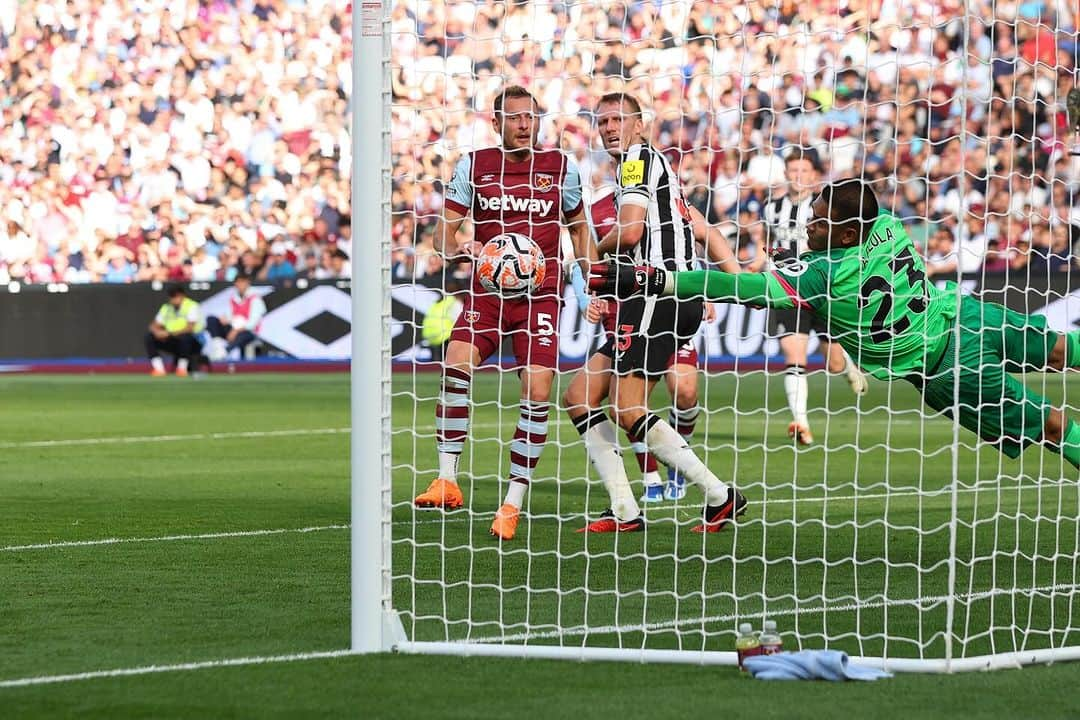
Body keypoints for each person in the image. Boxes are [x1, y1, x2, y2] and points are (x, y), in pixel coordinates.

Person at [590, 178, 1080, 472]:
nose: (809, 227)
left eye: (819, 222)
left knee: (1053, 426)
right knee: (1060, 349)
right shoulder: (887, 224)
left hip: (949, 368)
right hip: (968, 313)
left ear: (845, 232)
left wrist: (660, 278)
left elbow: (743, 289)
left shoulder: (824, 274)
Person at [413, 85, 592, 542]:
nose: (524, 124)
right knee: (455, 366)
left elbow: (580, 232)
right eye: (514, 118)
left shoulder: (561, 168)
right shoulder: (473, 166)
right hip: (487, 292)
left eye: (531, 117)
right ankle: (447, 480)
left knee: (536, 389)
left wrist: (590, 284)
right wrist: (462, 246)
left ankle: (512, 503)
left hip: (542, 297)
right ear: (497, 123)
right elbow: (441, 237)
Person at [564, 92, 745, 534]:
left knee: (629, 410)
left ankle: (720, 496)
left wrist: (587, 257)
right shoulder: (660, 173)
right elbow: (699, 231)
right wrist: (736, 283)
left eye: (617, 120)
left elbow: (627, 233)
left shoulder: (635, 162)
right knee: (580, 397)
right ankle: (624, 509)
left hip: (658, 295)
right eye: (602, 121)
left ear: (639, 125)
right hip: (664, 295)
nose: (608, 128)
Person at [582, 183, 733, 503]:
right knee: (598, 398)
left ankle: (682, 464)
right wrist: (594, 298)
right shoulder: (597, 211)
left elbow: (706, 236)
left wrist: (731, 285)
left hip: (669, 305)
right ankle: (646, 480)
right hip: (627, 314)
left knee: (683, 390)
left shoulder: (664, 199)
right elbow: (589, 261)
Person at [763, 149, 867, 445]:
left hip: (822, 291)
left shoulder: (825, 209)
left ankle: (848, 368)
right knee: (793, 357)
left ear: (814, 176)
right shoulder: (771, 209)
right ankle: (801, 422)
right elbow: (763, 240)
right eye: (792, 169)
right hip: (786, 290)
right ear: (785, 173)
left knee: (833, 363)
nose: (798, 175)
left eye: (804, 170)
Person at [145, 283, 206, 377]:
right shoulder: (166, 307)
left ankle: (182, 369)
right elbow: (154, 325)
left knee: (185, 338)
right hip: (173, 340)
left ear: (182, 295)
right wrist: (157, 332)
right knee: (149, 337)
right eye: (171, 296)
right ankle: (159, 369)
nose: (173, 299)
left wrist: (169, 334)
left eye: (175, 296)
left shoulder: (191, 306)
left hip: (194, 342)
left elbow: (190, 328)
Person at [206, 272, 265, 360]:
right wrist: (225, 319)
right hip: (233, 328)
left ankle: (225, 352)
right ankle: (218, 349)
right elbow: (231, 316)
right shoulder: (233, 299)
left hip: (248, 332)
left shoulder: (255, 299)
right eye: (238, 282)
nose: (240, 285)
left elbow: (252, 324)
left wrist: (235, 331)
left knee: (244, 335)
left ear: (247, 283)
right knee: (211, 319)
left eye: (242, 282)